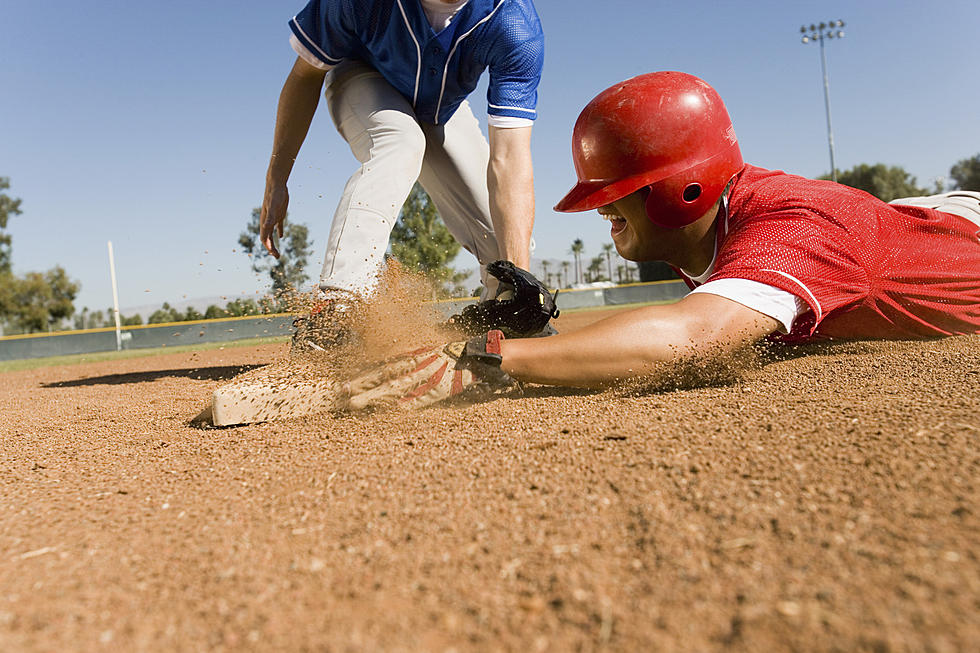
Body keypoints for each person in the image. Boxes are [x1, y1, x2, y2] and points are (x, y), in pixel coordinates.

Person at [338, 71, 980, 410]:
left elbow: (687, 337)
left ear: (686, 190)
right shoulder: (712, 227)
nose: (600, 212)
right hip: (905, 223)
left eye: (616, 195)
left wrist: (483, 358)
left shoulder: (790, 230)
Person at [260, 0, 545, 351]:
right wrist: (278, 177)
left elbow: (510, 157)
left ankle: (496, 318)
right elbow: (305, 75)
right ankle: (336, 309)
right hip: (362, 76)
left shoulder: (512, 21)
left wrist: (519, 283)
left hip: (441, 106)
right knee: (400, 142)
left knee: (506, 245)